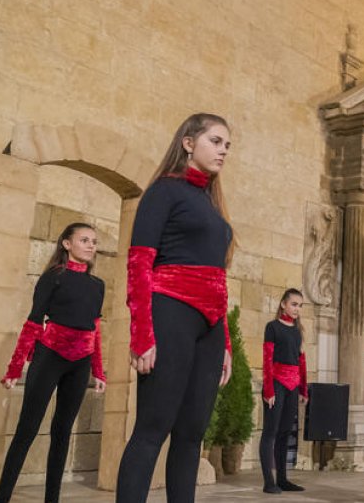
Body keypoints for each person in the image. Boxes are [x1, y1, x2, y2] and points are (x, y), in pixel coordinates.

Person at [117, 113, 234, 503]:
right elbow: (138, 263)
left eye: (227, 145)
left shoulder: (211, 202)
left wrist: (227, 344)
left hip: (211, 325)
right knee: (152, 428)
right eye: (216, 141)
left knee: (191, 434)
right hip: (172, 311)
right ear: (188, 142)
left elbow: (219, 277)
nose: (223, 151)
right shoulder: (163, 191)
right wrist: (141, 334)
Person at [0, 223, 107, 503]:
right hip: (50, 357)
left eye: (94, 241)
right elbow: (33, 322)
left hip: (80, 363)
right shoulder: (52, 278)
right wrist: (14, 368)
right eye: (84, 240)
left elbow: (95, 330)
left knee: (62, 432)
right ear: (67, 244)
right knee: (27, 429)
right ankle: (3, 498)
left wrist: (98, 371)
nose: (91, 245)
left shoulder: (97, 285)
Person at [259, 288, 309, 493]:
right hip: (276, 383)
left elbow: (302, 362)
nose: (297, 309)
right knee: (270, 432)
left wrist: (303, 390)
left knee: (285, 432)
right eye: (294, 304)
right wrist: (269, 390)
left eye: (300, 305)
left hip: (292, 385)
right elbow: (267, 359)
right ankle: (268, 481)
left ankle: (282, 479)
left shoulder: (298, 332)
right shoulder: (272, 327)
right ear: (283, 304)